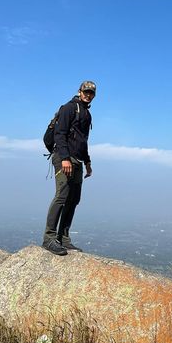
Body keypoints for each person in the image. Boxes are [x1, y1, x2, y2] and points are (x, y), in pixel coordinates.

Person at [42, 81, 96, 256]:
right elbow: (60, 134)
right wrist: (64, 158)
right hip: (64, 157)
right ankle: (49, 238)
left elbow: (82, 141)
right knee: (62, 196)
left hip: (77, 160)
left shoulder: (86, 113)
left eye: (91, 93)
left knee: (74, 199)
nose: (88, 95)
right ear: (79, 91)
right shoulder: (69, 108)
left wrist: (87, 162)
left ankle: (63, 238)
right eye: (86, 92)